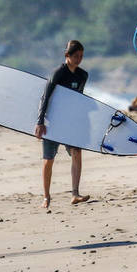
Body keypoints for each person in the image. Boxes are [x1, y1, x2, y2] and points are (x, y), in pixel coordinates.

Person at [34, 40, 90, 209]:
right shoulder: (58, 73)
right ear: (67, 55)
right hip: (53, 122)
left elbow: (78, 100)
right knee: (48, 160)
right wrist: (40, 121)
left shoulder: (83, 75)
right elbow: (45, 97)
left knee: (77, 152)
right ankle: (46, 197)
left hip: (70, 122)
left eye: (81, 56)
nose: (79, 59)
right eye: (75, 56)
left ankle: (75, 194)